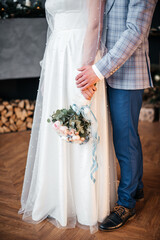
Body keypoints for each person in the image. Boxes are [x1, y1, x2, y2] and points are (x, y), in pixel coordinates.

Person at [18, 0, 117, 234]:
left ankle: (85, 204)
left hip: (80, 53)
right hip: (57, 55)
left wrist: (86, 69)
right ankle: (54, 196)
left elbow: (95, 23)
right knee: (57, 123)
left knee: (83, 122)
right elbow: (52, 26)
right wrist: (48, 65)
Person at [76, 0, 158, 231]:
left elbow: (135, 32)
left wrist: (97, 70)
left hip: (127, 72)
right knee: (122, 135)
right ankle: (136, 185)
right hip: (100, 69)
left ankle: (126, 203)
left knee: (124, 137)